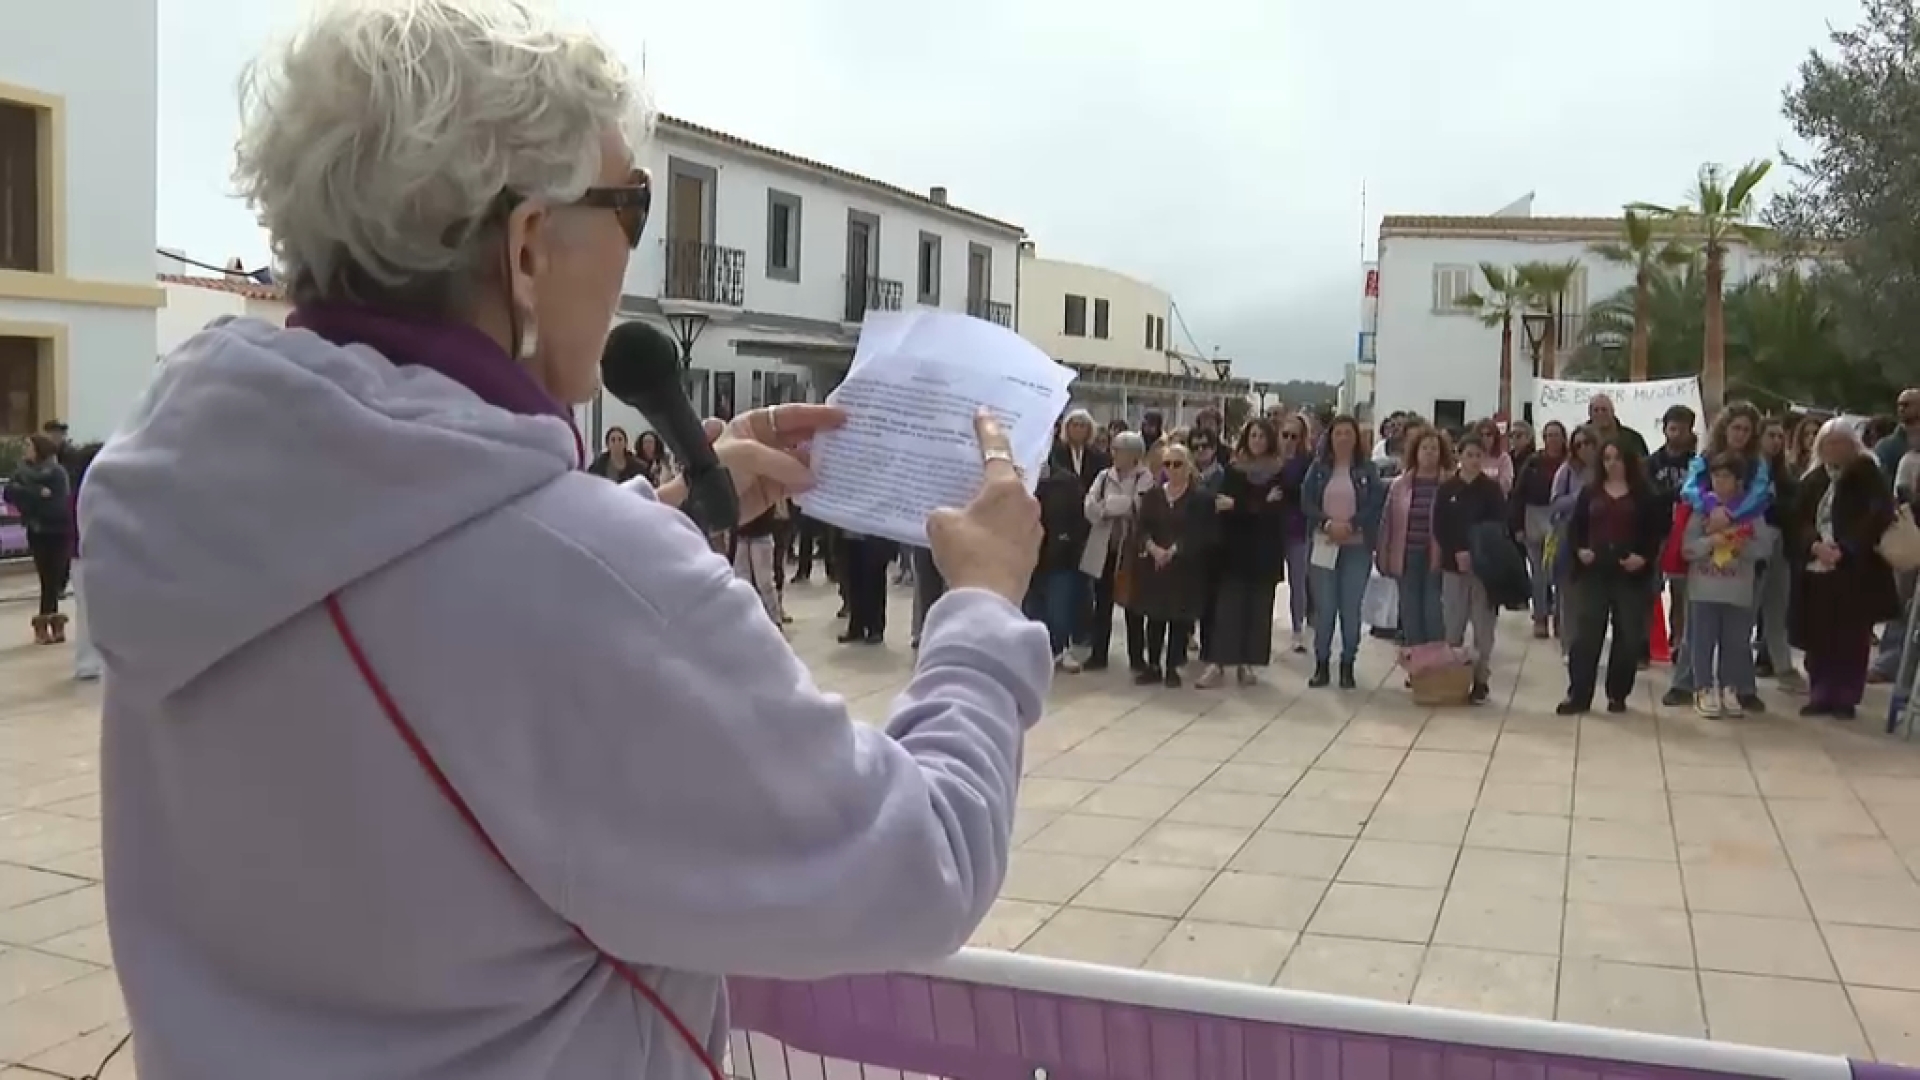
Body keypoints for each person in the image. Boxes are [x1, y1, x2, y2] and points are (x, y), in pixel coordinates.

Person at [76, 4, 1050, 1076]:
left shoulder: (197, 503)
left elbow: (414, 634)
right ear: (529, 248)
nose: (633, 246)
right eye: (631, 206)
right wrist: (981, 610)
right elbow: (924, 863)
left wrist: (659, 519)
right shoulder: (583, 580)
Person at [1792, 419, 1899, 720]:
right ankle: (1820, 692)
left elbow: (1879, 514)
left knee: (1851, 636)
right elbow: (1798, 519)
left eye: (1840, 443)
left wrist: (1847, 548)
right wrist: (1814, 545)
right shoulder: (1813, 480)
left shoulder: (1867, 475)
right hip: (1817, 564)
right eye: (1829, 444)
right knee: (1819, 632)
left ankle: (1845, 695)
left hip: (1854, 567)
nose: (1834, 450)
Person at [1559, 434, 1665, 715]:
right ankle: (1579, 694)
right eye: (1607, 458)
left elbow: (1655, 533)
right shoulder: (1590, 492)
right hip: (1594, 571)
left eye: (1617, 458)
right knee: (1586, 636)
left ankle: (1618, 693)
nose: (1612, 464)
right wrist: (1580, 551)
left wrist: (1642, 557)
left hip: (1629, 573)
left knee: (1629, 635)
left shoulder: (1644, 494)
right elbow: (1575, 528)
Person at [1681, 453, 1775, 717]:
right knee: (1701, 641)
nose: (1721, 482)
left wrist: (1741, 546)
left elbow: (1765, 547)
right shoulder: (1701, 511)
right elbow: (1687, 549)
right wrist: (1712, 542)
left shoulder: (1750, 512)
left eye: (1727, 477)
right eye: (1716, 476)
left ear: (1739, 481)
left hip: (1738, 589)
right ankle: (1702, 688)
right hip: (1703, 587)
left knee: (1735, 642)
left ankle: (1730, 687)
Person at [1198, 419, 1287, 688]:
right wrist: (1253, 506)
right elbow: (1223, 507)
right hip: (1234, 549)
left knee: (1258, 609)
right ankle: (1217, 663)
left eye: (1262, 436)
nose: (1257, 440)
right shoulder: (1233, 470)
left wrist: (1242, 507)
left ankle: (1248, 664)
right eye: (1253, 435)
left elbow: (1275, 512)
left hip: (1264, 549)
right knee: (1227, 608)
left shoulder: (1279, 471)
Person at [1301, 416, 1384, 689]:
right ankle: (1321, 664)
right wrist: (1326, 523)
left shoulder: (1367, 470)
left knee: (1350, 608)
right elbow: (1306, 500)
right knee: (1324, 609)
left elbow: (1375, 504)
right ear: (1330, 437)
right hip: (1324, 544)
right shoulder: (1319, 468)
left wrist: (1353, 524)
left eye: (1349, 433)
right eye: (1339, 433)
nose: (1344, 438)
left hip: (1356, 546)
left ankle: (1348, 663)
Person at [1128, 443, 1214, 687]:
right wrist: (1153, 548)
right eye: (1167, 464)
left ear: (1188, 467)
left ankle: (1173, 666)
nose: (1172, 469)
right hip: (1155, 566)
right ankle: (1153, 664)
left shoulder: (1199, 498)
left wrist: (1175, 550)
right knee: (1154, 618)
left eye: (1178, 464)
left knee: (1179, 618)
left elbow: (1202, 531)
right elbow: (1141, 527)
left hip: (1184, 567)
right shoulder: (1154, 495)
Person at [1437, 434, 1507, 703]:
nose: (1474, 460)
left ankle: (1480, 678)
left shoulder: (1491, 490)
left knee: (1483, 626)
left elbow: (1498, 527)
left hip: (1484, 569)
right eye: (1470, 455)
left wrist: (1477, 554)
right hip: (1453, 567)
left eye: (1479, 455)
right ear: (1459, 456)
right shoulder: (1447, 489)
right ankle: (1452, 676)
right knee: (1453, 623)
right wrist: (1457, 551)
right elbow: (1440, 526)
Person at [1082, 431, 1154, 672]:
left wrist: (1109, 505)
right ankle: (1098, 654)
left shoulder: (1144, 477)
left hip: (1129, 550)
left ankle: (1137, 658)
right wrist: (1113, 506)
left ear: (1134, 454)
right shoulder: (1103, 476)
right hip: (1104, 548)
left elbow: (1139, 506)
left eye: (1120, 450)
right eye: (1114, 449)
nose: (1114, 454)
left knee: (1133, 605)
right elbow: (1089, 506)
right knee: (1102, 604)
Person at [1379, 426, 1450, 648]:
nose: (1429, 453)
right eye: (1425, 448)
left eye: (1434, 449)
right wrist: (1383, 555)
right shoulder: (1400, 485)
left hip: (1436, 556)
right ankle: (1417, 664)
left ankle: (1436, 664)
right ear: (1415, 452)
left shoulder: (1448, 484)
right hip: (1406, 555)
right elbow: (1387, 523)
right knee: (1410, 612)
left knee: (1433, 611)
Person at [5, 433, 73, 644]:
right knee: (47, 578)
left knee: (57, 577)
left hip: (59, 530)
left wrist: (28, 498)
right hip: (37, 530)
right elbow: (10, 493)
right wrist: (36, 493)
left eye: (29, 446)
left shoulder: (57, 472)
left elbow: (57, 502)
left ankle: (50, 619)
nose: (26, 450)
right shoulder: (22, 473)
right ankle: (48, 624)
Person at [1753, 418, 1805, 691]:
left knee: (1777, 608)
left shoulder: (1785, 474)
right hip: (1753, 543)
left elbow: (1791, 508)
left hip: (1780, 543)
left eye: (1779, 436)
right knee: (1748, 610)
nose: (1776, 441)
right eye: (1770, 435)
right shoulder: (1749, 469)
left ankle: (1782, 665)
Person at [1035, 457, 1091, 672]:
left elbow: (1080, 517)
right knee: (1033, 608)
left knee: (1058, 608)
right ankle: (1039, 652)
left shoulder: (1067, 481)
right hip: (1029, 553)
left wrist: (1068, 540)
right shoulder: (1020, 477)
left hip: (1060, 555)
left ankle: (1060, 649)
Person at [1511, 420, 1566, 638]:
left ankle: (1560, 619)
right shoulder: (1534, 462)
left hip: (1558, 518)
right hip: (1533, 516)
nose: (1552, 439)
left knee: (1559, 572)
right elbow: (1518, 494)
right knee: (1538, 573)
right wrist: (1517, 525)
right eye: (1549, 435)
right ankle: (1540, 617)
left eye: (1556, 435)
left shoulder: (1569, 462)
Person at [1275, 414, 1315, 653]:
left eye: (1294, 436)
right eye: (1285, 435)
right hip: (1272, 528)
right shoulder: (1272, 459)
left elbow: (1305, 494)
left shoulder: (1307, 462)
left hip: (1298, 529)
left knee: (1298, 581)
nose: (1289, 440)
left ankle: (1298, 628)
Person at [67, 442, 105, 680]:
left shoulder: (82, 492)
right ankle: (88, 662)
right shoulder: (88, 493)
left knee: (91, 613)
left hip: (87, 558)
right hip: (88, 558)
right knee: (91, 613)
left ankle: (92, 661)